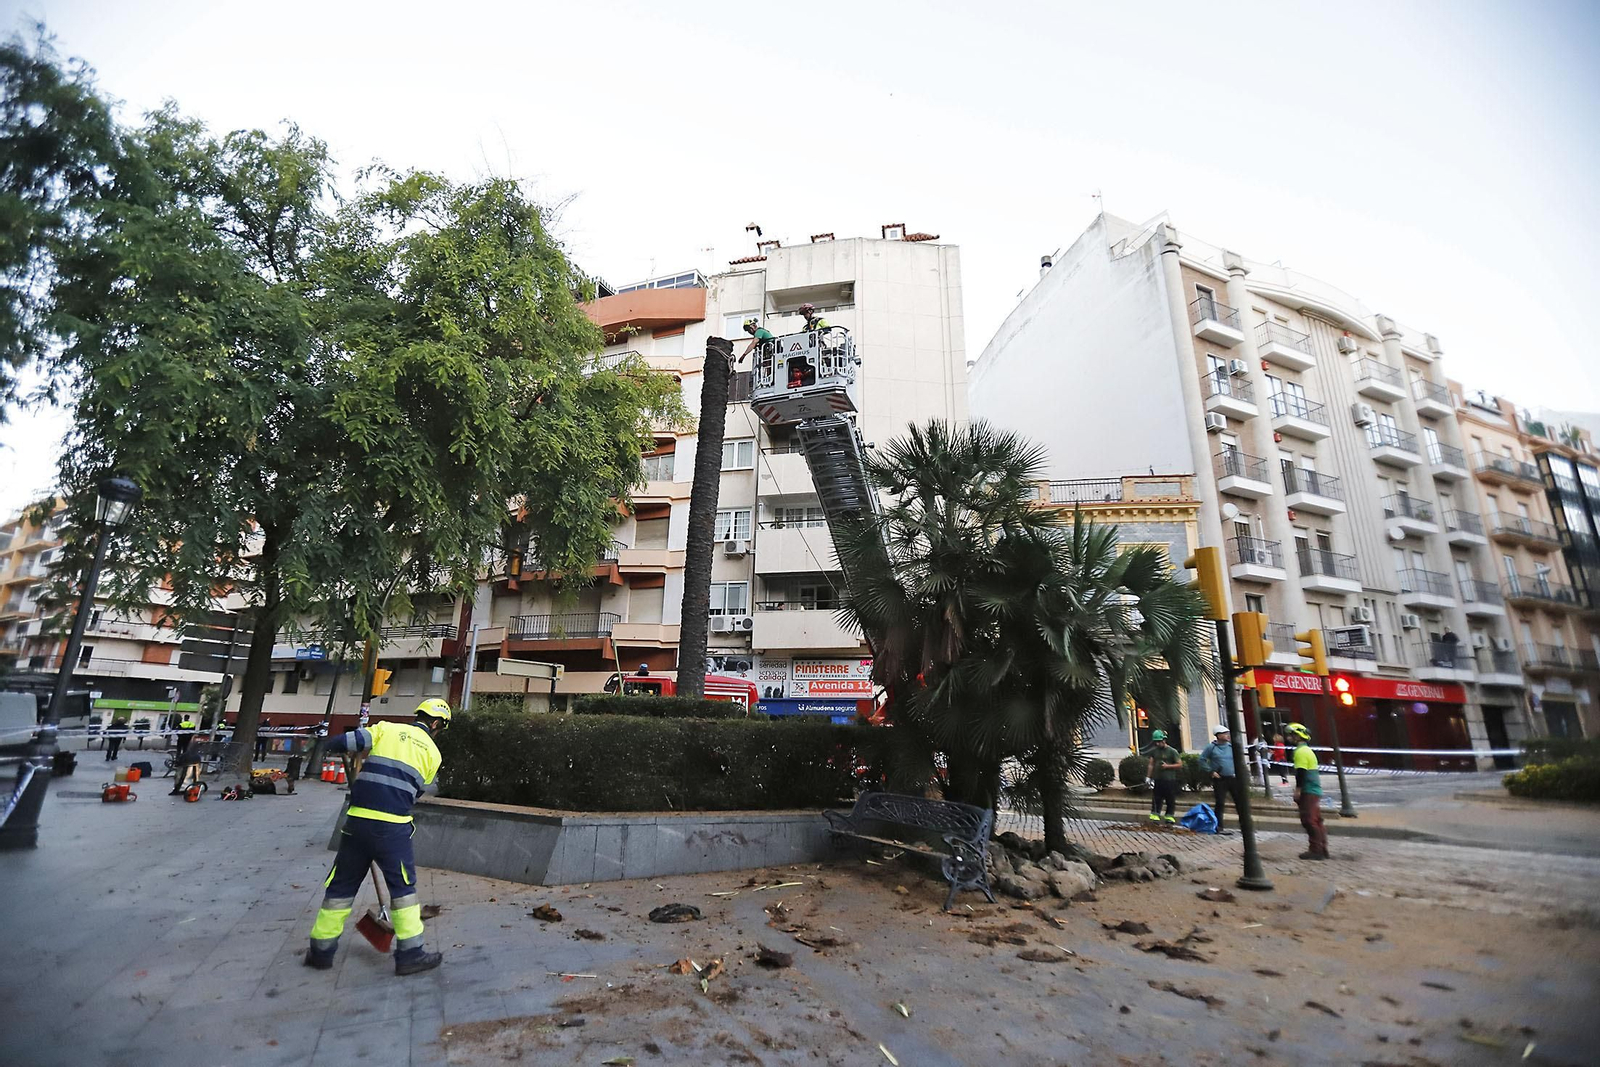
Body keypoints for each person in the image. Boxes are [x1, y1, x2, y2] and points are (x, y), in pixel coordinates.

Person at [304, 698, 451, 976]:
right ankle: (410, 954)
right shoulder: (434, 754)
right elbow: (414, 794)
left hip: (357, 822)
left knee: (340, 888)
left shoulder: (386, 729)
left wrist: (325, 746)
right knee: (403, 891)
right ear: (436, 724)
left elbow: (342, 742)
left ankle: (321, 951)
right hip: (393, 828)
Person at [1287, 722, 1329, 860]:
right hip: (1314, 789)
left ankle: (1316, 850)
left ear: (1297, 736)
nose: (1289, 738)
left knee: (1309, 820)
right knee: (1317, 820)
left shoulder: (1300, 752)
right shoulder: (1307, 750)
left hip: (1308, 790)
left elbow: (1301, 772)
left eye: (1291, 735)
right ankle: (1322, 848)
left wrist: (1298, 790)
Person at [1198, 725, 1238, 832]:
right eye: (1225, 734)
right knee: (1220, 802)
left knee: (1239, 802)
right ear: (1219, 736)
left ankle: (1245, 825)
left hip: (1233, 778)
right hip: (1220, 779)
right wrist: (1211, 771)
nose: (1227, 735)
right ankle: (1218, 826)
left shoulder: (1231, 747)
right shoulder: (1211, 747)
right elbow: (1201, 760)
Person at [1145, 730, 1183, 825]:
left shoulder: (1172, 751)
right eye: (1156, 742)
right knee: (1157, 799)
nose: (1157, 743)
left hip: (1169, 779)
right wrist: (1148, 777)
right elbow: (1151, 764)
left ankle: (1169, 817)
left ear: (1164, 740)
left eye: (1159, 741)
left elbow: (1179, 764)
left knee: (1170, 799)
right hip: (1158, 779)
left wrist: (1168, 766)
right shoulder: (1154, 751)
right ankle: (1155, 816)